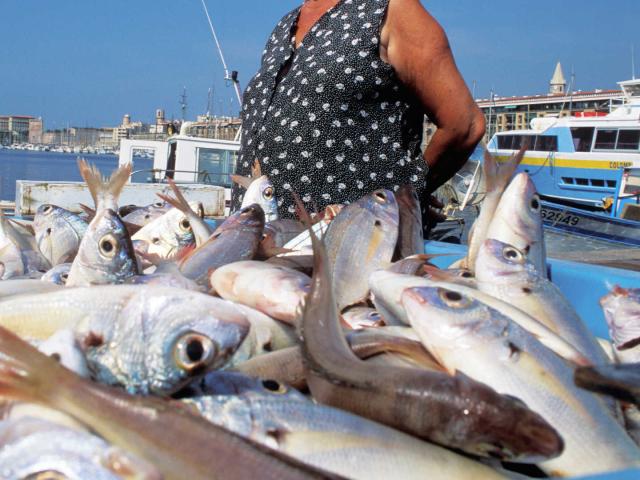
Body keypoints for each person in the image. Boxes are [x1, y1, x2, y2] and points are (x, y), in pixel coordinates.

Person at [231, 0, 485, 229]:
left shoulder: (392, 11)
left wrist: (409, 194)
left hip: (351, 249)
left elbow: (464, 125)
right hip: (259, 245)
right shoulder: (286, 25)